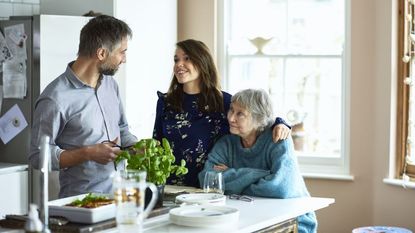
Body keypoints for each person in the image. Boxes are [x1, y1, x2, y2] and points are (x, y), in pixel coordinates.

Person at [153, 39, 291, 187]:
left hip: (210, 188)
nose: (179, 64)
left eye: (187, 58)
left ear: (202, 62)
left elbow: (257, 119)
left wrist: (281, 123)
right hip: (170, 187)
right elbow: (157, 143)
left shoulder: (223, 101)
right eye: (176, 60)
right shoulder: (165, 102)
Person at [29, 15, 137, 198]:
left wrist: (136, 146)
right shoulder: (55, 98)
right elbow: (38, 157)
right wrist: (88, 153)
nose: (124, 59)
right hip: (80, 202)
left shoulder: (111, 85)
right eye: (122, 52)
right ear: (101, 53)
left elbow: (122, 129)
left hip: (119, 197)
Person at [198, 89, 317, 233]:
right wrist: (261, 174)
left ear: (258, 118)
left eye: (240, 113)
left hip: (292, 221)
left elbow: (280, 187)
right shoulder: (226, 143)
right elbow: (207, 179)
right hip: (248, 217)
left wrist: (231, 178)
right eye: (231, 110)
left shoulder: (278, 139)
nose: (231, 118)